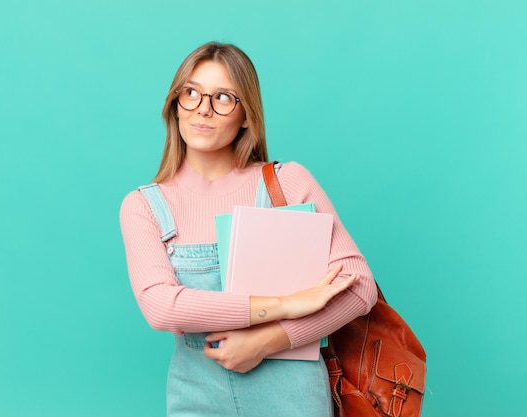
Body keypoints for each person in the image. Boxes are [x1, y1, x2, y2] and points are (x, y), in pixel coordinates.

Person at [120, 42, 378, 417]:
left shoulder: (285, 184)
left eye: (223, 97)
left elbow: (359, 287)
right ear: (175, 106)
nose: (203, 109)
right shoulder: (144, 206)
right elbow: (161, 307)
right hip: (196, 397)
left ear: (245, 116)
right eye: (191, 93)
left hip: (293, 398)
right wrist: (283, 305)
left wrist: (268, 340)